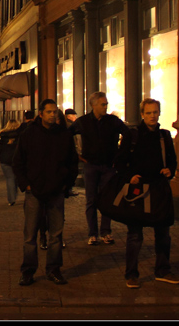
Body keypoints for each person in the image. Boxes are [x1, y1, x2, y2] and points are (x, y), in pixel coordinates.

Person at [12, 99, 79, 286]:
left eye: (54, 111)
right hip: (34, 191)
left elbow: (72, 162)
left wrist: (67, 184)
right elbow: (18, 162)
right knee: (30, 235)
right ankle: (28, 271)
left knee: (56, 234)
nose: (53, 115)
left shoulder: (63, 135)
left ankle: (54, 269)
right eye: (49, 112)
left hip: (56, 191)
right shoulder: (29, 134)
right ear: (40, 113)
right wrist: (26, 185)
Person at [116, 99, 179, 288]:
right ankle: (131, 274)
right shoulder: (132, 135)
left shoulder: (164, 136)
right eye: (149, 113)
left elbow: (172, 160)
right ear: (142, 114)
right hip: (138, 189)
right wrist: (130, 176)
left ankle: (162, 270)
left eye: (155, 112)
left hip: (159, 188)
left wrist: (170, 170)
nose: (153, 116)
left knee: (163, 232)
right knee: (135, 234)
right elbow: (120, 161)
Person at [71, 92, 127, 245]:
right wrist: (76, 155)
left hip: (109, 166)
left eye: (106, 104)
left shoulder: (113, 121)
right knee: (91, 200)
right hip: (91, 165)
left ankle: (106, 232)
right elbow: (67, 135)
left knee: (107, 199)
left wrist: (119, 155)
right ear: (93, 105)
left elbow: (128, 134)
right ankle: (93, 233)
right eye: (103, 104)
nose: (105, 107)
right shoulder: (83, 122)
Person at [0, 120, 23, 205]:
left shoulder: (3, 135)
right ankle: (14, 194)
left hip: (5, 160)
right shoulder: (21, 135)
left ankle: (11, 199)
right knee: (16, 178)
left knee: (10, 179)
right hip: (18, 160)